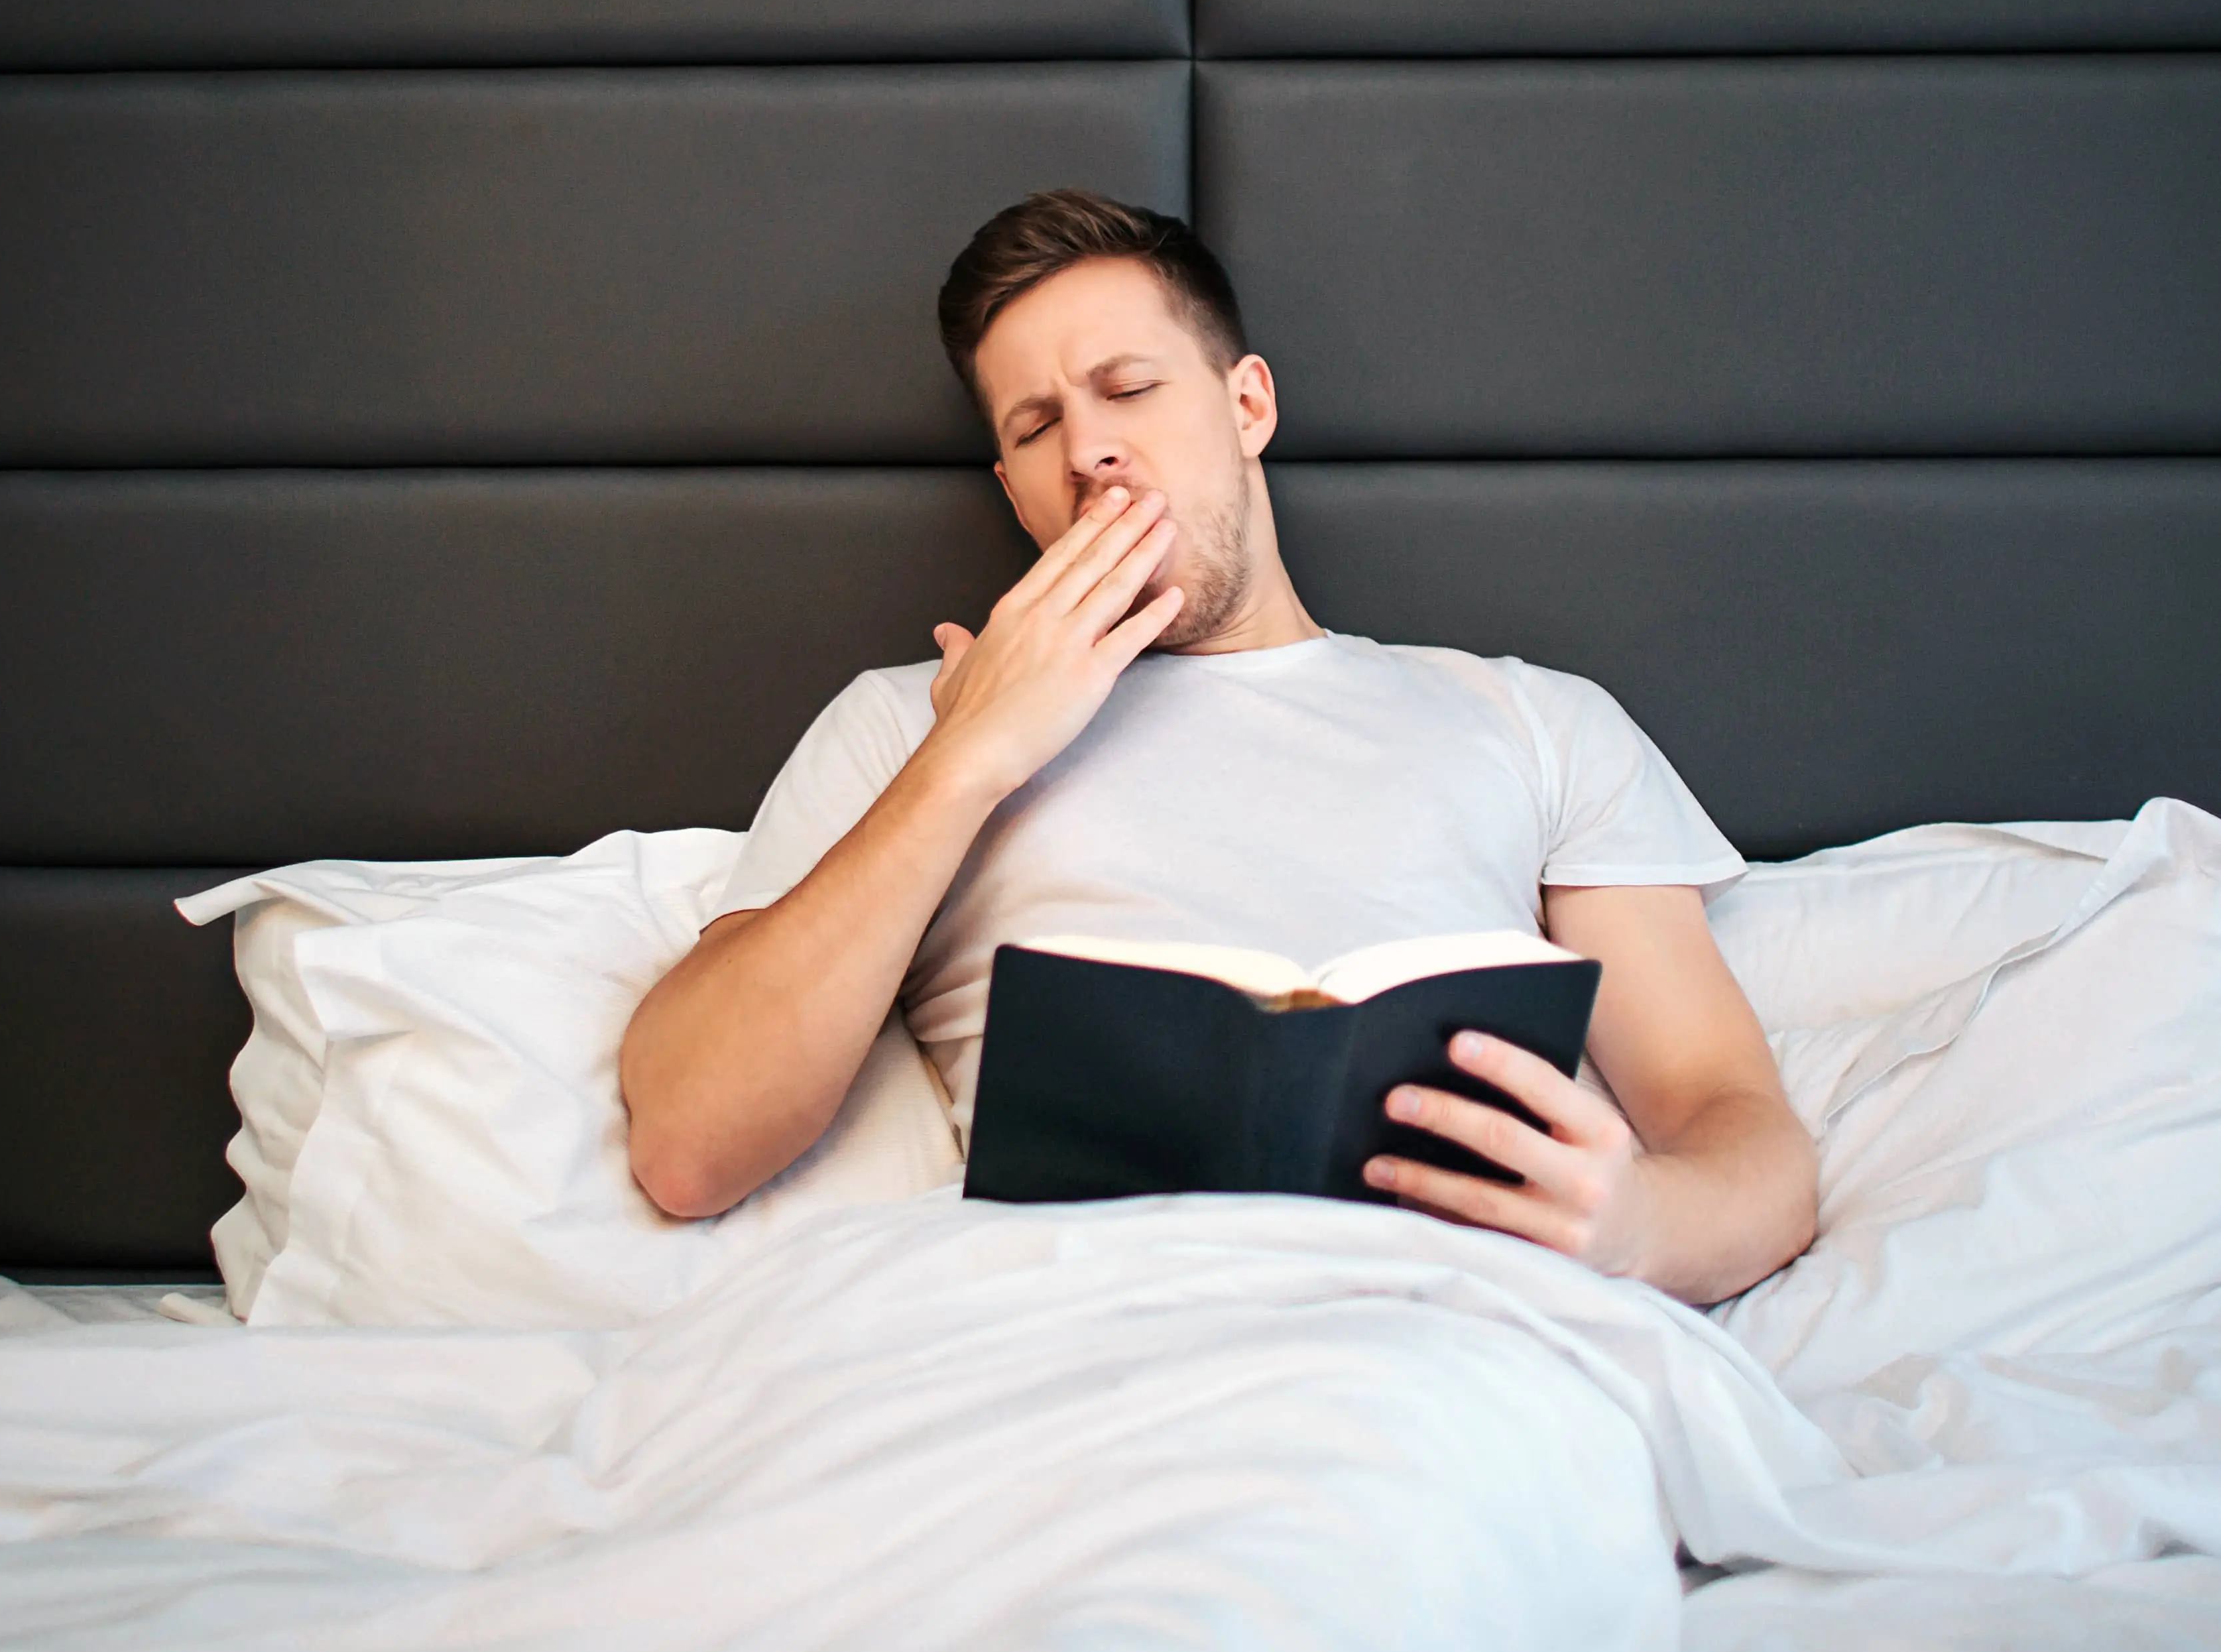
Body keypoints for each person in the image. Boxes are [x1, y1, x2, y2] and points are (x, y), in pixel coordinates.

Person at [620, 190, 1816, 1304]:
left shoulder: (1530, 720)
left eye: (1128, 389)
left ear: (1247, 406)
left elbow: (1741, 1134)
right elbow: (689, 1144)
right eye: (1037, 426)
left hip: (1449, 1335)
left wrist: (1636, 1226)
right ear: (1015, 490)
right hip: (1070, 1334)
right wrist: (971, 757)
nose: (1088, 449)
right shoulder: (908, 722)